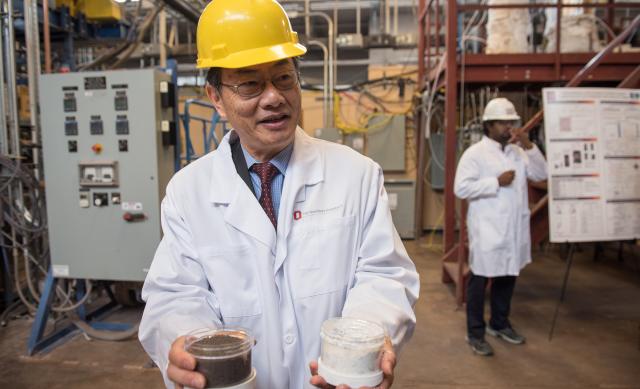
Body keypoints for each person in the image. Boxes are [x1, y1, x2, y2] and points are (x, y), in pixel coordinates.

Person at [138, 1, 420, 388]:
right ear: (216, 97)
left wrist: (366, 343)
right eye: (250, 83)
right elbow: (175, 294)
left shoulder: (356, 176)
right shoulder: (189, 192)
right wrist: (187, 343)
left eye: (284, 78)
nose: (273, 97)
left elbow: (384, 276)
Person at [454, 97, 547, 356]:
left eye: (511, 122)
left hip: (514, 231)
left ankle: (499, 323)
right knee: (480, 280)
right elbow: (460, 188)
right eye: (503, 123)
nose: (509, 127)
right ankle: (475, 333)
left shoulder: (518, 152)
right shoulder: (475, 154)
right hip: (488, 230)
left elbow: (541, 174)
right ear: (489, 125)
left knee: (508, 276)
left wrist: (530, 146)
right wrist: (495, 182)